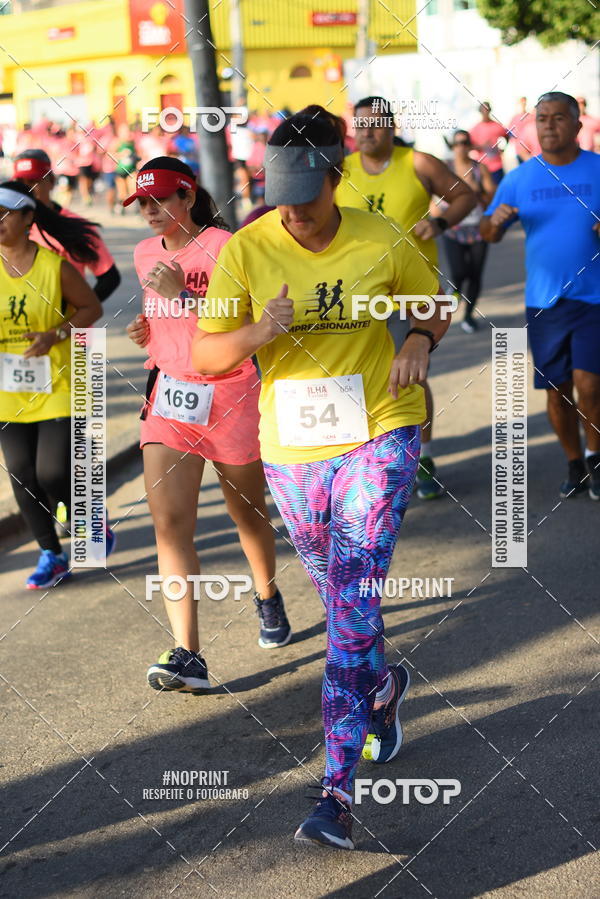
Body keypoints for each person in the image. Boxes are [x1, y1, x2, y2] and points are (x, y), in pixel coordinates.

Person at [192, 107, 452, 849]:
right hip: (294, 448)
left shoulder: (380, 236)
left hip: (380, 427)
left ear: (337, 179)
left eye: (306, 200)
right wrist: (257, 333)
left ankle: (334, 792)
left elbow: (433, 302)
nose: (294, 215)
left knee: (352, 597)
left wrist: (421, 342)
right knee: (342, 591)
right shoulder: (247, 250)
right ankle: (383, 685)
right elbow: (208, 356)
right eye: (280, 200)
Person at [124, 157, 291, 694]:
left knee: (246, 515)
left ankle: (267, 594)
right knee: (170, 525)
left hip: (231, 393)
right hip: (171, 397)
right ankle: (188, 653)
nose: (150, 213)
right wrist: (147, 329)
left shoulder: (226, 247)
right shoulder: (145, 252)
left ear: (188, 198)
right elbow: (166, 321)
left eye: (160, 201)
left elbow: (245, 326)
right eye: (142, 204)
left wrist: (184, 297)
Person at [336, 95, 476, 499]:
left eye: (375, 124)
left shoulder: (417, 162)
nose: (366, 132)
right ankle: (366, 459)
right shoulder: (340, 170)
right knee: (357, 379)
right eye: (359, 125)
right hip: (351, 293)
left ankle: (424, 458)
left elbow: (465, 196)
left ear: (392, 126)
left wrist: (440, 221)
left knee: (408, 376)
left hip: (408, 292)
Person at [481, 91, 600, 500]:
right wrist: (494, 223)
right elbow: (487, 233)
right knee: (558, 390)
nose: (549, 125)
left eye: (558, 118)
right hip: (545, 303)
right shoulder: (520, 178)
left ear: (577, 125)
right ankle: (574, 463)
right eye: (542, 118)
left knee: (591, 385)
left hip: (594, 297)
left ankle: (596, 457)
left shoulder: (598, 169)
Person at [0, 180, 112, 588]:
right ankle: (51, 554)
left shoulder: (54, 267)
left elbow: (91, 307)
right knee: (21, 474)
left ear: (28, 218)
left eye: (4, 214)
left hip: (60, 384)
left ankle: (86, 517)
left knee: (51, 471)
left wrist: (55, 335)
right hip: (7, 392)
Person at [13, 149, 121, 303]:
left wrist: (80, 313)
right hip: (21, 323)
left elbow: (109, 278)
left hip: (68, 325)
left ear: (51, 181)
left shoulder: (73, 225)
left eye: (33, 182)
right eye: (21, 184)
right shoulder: (8, 226)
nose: (27, 190)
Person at [434, 130, 496, 333]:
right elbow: (431, 193)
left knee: (475, 275)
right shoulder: (445, 168)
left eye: (465, 142)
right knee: (459, 273)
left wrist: (478, 192)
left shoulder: (480, 169)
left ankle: (468, 316)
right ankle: (452, 299)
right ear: (452, 146)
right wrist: (435, 213)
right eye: (457, 143)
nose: (461, 146)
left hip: (477, 228)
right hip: (453, 228)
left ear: (470, 145)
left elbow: (492, 196)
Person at [469, 101, 509, 185]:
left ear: (490, 110)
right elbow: (470, 146)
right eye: (483, 110)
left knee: (499, 190)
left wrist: (503, 149)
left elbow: (507, 136)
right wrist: (482, 147)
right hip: (482, 167)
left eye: (487, 109)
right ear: (480, 111)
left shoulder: (497, 125)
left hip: (497, 165)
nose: (485, 112)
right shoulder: (475, 129)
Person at [507, 97, 534, 164]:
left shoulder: (531, 116)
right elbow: (509, 133)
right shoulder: (514, 118)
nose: (523, 104)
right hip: (520, 150)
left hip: (532, 150)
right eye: (521, 102)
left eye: (524, 102)